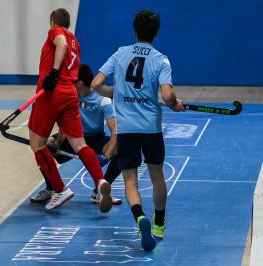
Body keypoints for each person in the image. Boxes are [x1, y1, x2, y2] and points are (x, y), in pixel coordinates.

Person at [91, 10, 185, 251]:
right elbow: (167, 95)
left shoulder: (121, 53)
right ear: (156, 33)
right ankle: (159, 223)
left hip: (126, 128)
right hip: (150, 127)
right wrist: (175, 104)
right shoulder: (161, 59)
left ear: (135, 31)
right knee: (157, 176)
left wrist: (115, 94)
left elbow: (95, 84)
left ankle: (140, 217)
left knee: (130, 180)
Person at [28, 8, 113, 213]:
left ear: (53, 24)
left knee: (37, 144)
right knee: (80, 144)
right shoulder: (77, 41)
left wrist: (54, 73)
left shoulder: (57, 33)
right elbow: (68, 49)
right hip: (70, 93)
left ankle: (59, 189)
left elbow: (61, 44)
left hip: (52, 93)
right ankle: (100, 181)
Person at [30, 64, 122, 205]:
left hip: (95, 139)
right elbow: (63, 123)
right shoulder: (68, 97)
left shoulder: (103, 100)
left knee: (120, 150)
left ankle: (100, 192)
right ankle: (51, 189)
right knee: (44, 146)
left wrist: (106, 156)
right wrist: (58, 141)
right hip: (71, 137)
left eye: (71, 80)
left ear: (79, 83)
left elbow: (115, 130)